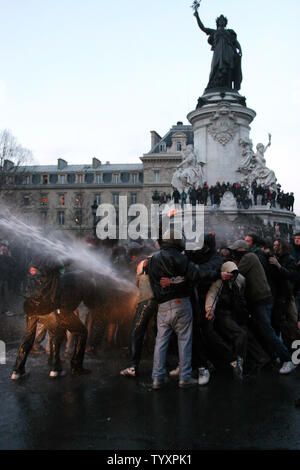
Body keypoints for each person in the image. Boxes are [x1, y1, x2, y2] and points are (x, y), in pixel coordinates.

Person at [148, 229, 211, 389]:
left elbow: (153, 282)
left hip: (162, 304)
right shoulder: (182, 258)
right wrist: (180, 281)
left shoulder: (154, 258)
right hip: (181, 302)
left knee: (161, 341)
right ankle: (185, 377)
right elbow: (196, 275)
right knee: (184, 340)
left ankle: (157, 378)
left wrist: (168, 285)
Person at [229, 240, 295, 374]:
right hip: (261, 299)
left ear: (241, 249)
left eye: (234, 250)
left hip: (260, 299)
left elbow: (236, 275)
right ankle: (274, 356)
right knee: (262, 331)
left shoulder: (248, 258)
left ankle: (287, 359)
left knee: (267, 331)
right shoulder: (251, 256)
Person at [120, 256, 158, 377]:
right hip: (158, 301)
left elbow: (138, 284)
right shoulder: (155, 269)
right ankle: (159, 362)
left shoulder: (143, 272)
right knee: (157, 332)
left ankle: (133, 366)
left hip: (146, 302)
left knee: (136, 332)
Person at [193, 7, 242, 91]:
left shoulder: (229, 32)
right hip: (218, 53)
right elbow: (203, 28)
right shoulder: (214, 32)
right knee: (216, 68)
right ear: (217, 23)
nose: (221, 22)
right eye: (220, 21)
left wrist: (240, 50)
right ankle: (215, 84)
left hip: (228, 52)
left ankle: (228, 86)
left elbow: (235, 42)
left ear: (225, 23)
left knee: (229, 67)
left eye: (223, 21)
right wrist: (197, 17)